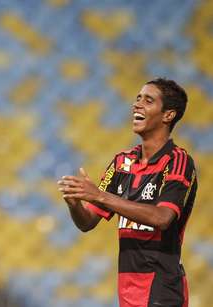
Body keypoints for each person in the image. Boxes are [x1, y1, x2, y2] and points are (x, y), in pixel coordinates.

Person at [58, 78, 197, 307]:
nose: (137, 105)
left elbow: (162, 218)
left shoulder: (178, 162)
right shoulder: (122, 162)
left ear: (168, 115)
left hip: (162, 287)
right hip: (127, 288)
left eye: (148, 100)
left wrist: (99, 195)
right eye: (137, 99)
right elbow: (87, 222)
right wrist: (74, 204)